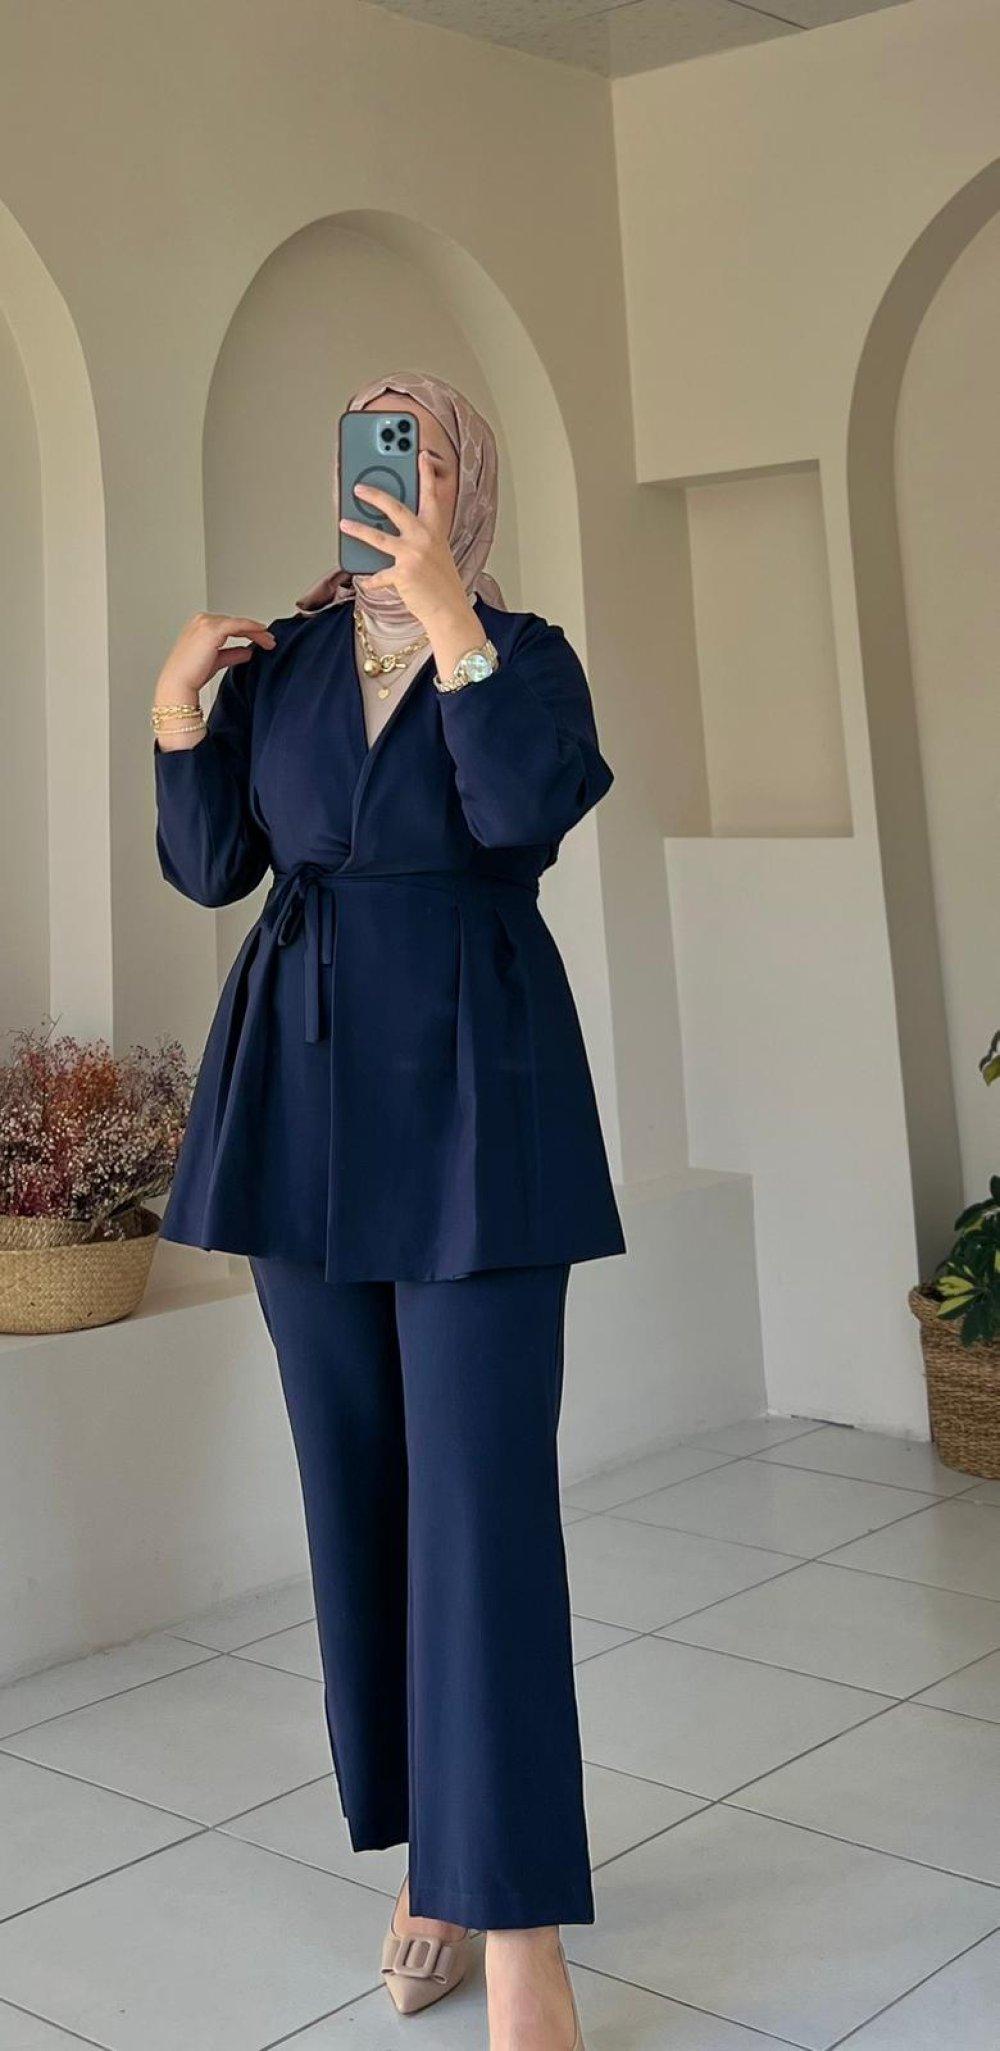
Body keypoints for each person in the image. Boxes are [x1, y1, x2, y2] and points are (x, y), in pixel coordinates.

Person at [151, 369, 625, 2051]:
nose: (390, 476)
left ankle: (522, 1928)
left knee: (481, 1504)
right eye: (369, 447)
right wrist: (178, 716)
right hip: (302, 1105)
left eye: (416, 450)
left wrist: (448, 621)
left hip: (480, 1097)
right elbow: (215, 869)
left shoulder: (526, 654)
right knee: (359, 1493)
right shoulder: (282, 661)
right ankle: (434, 1863)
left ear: (460, 477)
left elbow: (520, 813)